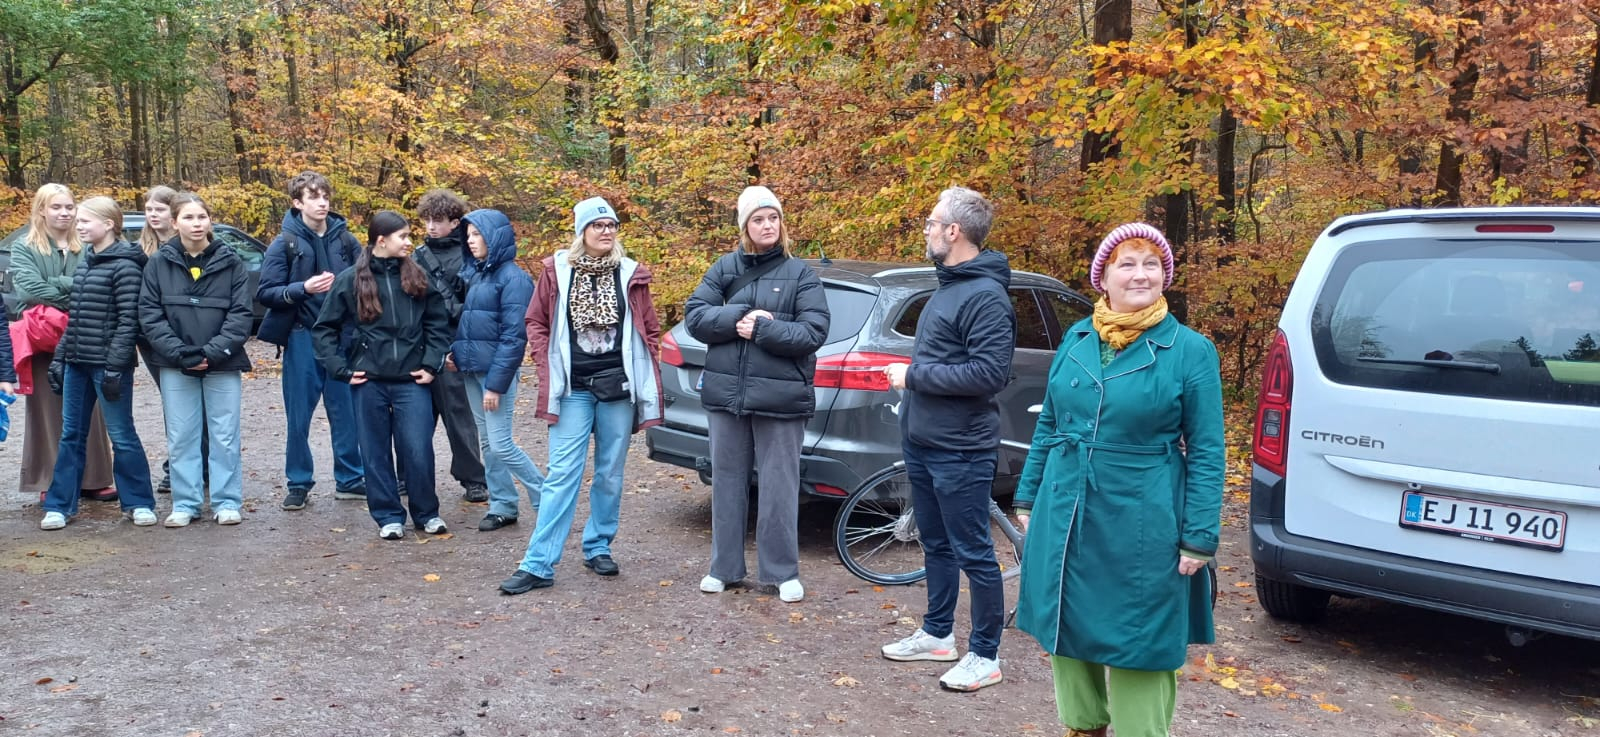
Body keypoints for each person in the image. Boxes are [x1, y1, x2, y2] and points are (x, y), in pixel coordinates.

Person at [1013, 223, 1224, 737]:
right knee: (1067, 624)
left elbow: (1208, 449)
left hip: (1144, 511)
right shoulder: (1077, 336)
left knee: (1141, 640)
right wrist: (1029, 492)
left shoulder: (1189, 350)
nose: (1141, 274)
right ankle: (1082, 727)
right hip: (1067, 503)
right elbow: (1050, 421)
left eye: (1152, 264)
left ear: (1165, 277)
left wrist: (1199, 536)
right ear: (1102, 277)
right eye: (1127, 263)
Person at [878, 186, 1015, 692]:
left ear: (953, 231)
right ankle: (938, 635)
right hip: (924, 441)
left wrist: (913, 376)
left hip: (962, 448)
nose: (927, 230)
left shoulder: (985, 296)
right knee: (935, 544)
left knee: (974, 550)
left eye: (933, 223)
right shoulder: (948, 286)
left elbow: (988, 374)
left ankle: (985, 653)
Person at [498, 197, 663, 594]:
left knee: (609, 473)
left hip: (617, 391)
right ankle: (538, 563)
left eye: (612, 225)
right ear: (582, 232)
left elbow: (650, 329)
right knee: (562, 475)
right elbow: (535, 320)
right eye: (598, 225)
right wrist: (545, 361)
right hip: (572, 389)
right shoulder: (557, 271)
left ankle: (598, 545)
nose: (606, 232)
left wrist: (643, 365)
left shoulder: (630, 274)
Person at [686, 186, 829, 603]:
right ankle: (724, 569)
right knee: (726, 484)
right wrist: (740, 317)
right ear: (745, 226)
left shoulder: (801, 273)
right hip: (726, 397)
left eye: (773, 218)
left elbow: (813, 332)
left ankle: (781, 573)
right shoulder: (725, 268)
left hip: (782, 400)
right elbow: (696, 317)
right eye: (758, 219)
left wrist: (764, 330)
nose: (768, 226)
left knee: (779, 486)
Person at [312, 210, 452, 540]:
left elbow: (437, 323)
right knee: (374, 452)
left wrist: (431, 364)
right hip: (369, 381)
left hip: (412, 380)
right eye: (403, 236)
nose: (409, 241)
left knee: (417, 448)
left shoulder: (418, 276)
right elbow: (325, 329)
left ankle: (427, 513)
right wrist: (342, 370)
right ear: (381, 241)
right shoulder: (350, 279)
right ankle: (388, 516)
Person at [39, 197, 155, 530]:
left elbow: (128, 322)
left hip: (109, 366)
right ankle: (61, 506)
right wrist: (61, 358)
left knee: (122, 434)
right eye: (79, 221)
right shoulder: (87, 260)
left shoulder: (127, 265)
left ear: (109, 224)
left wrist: (116, 367)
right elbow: (76, 319)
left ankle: (139, 503)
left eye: (86, 221)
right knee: (71, 435)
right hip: (77, 362)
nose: (79, 225)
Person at [138, 192, 254, 527]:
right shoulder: (159, 263)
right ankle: (186, 503)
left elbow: (241, 315)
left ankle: (227, 501)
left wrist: (211, 353)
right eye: (188, 218)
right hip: (175, 364)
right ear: (174, 223)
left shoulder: (231, 261)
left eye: (202, 217)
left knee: (225, 434)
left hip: (223, 364)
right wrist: (181, 353)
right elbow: (149, 314)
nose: (196, 224)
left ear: (210, 221)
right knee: (182, 434)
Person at [256, 171, 366, 510]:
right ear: (297, 202)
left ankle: (350, 479)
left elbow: (367, 281)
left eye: (325, 196)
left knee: (346, 412)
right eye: (313, 196)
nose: (321, 202)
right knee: (299, 417)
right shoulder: (284, 243)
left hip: (341, 340)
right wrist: (303, 289)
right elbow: (265, 293)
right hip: (302, 337)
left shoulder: (346, 240)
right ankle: (299, 483)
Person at [9, 184, 116, 502]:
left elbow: (103, 285)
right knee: (46, 408)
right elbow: (29, 291)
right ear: (42, 209)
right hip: (41, 340)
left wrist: (56, 286)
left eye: (69, 207)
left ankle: (95, 477)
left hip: (88, 333)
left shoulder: (88, 242)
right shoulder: (23, 247)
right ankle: (51, 479)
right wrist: (75, 287)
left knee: (91, 408)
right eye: (56, 207)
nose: (65, 213)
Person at [452, 208, 543, 532]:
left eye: (478, 234)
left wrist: (496, 385)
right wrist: (455, 354)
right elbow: (472, 325)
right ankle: (503, 504)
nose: (471, 241)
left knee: (502, 443)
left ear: (495, 237)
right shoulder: (478, 274)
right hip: (472, 371)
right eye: (469, 235)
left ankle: (547, 498)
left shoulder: (514, 279)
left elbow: (513, 337)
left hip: (494, 377)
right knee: (488, 443)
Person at [412, 188, 489, 503]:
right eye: (428, 219)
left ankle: (473, 478)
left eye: (439, 220)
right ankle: (410, 476)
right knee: (415, 418)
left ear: (455, 222)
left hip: (454, 343)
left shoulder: (469, 257)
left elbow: (476, 303)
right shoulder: (415, 256)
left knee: (459, 416)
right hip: (419, 344)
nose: (431, 226)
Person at [135, 184, 206, 496]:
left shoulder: (197, 246)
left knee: (203, 405)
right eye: (148, 209)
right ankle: (176, 467)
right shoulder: (140, 252)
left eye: (159, 209)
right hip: (155, 341)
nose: (153, 215)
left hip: (194, 336)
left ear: (173, 215)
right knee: (174, 405)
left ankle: (203, 465)